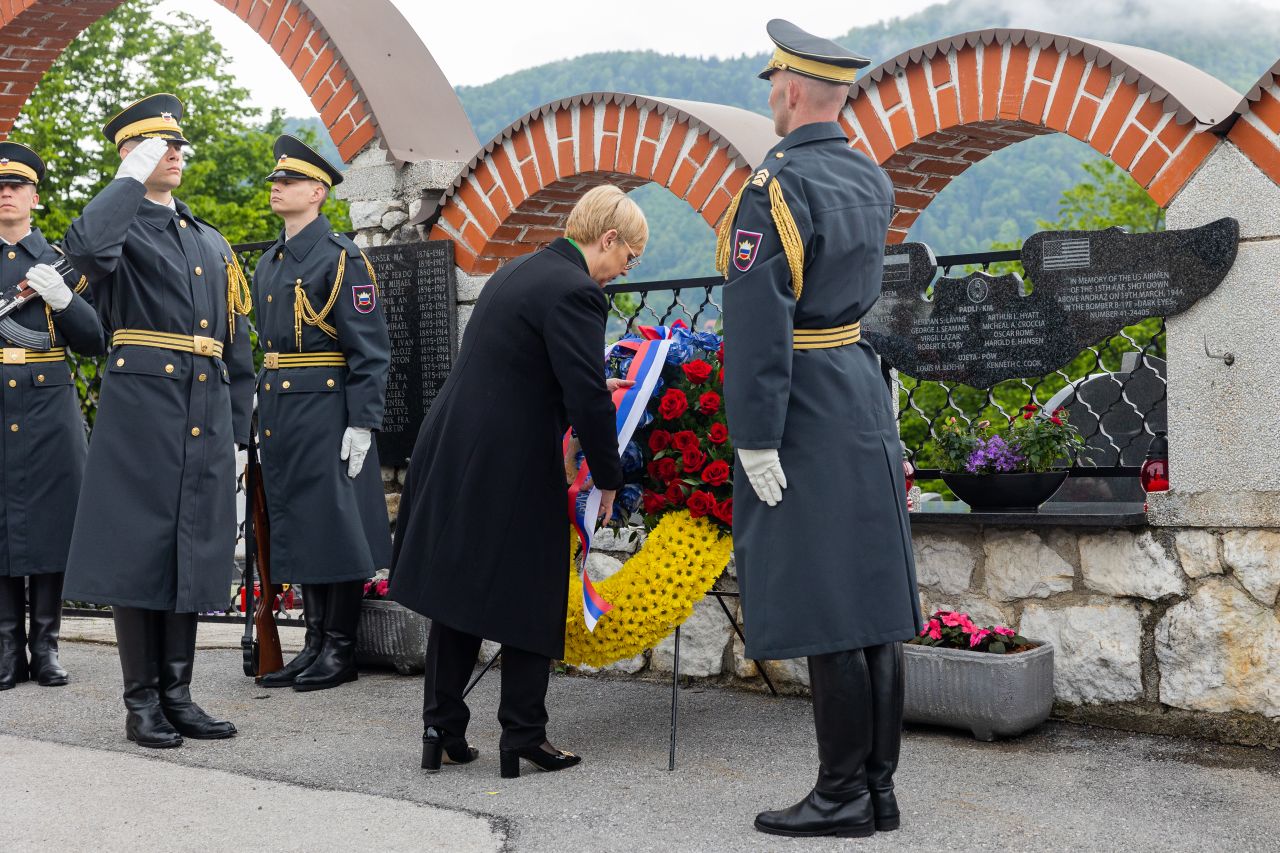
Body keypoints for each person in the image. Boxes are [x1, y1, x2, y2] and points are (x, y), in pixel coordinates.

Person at [715, 20, 921, 838]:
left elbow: (758, 321)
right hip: (859, 387)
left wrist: (754, 432)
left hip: (803, 399)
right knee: (872, 599)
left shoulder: (774, 188)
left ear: (793, 90)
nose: (771, 95)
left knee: (833, 602)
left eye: (774, 83)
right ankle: (877, 788)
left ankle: (841, 793)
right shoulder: (870, 176)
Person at [390, 184, 644, 779]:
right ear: (608, 238)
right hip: (509, 455)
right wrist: (609, 478)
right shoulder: (578, 290)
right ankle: (524, 735)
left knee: (458, 588)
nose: (622, 271)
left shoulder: (518, 270)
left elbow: (524, 365)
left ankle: (441, 728)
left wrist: (584, 385)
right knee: (534, 587)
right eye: (628, 258)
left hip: (454, 442)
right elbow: (585, 397)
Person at [61, 93, 255, 748]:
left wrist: (240, 433)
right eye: (155, 146)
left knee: (190, 548)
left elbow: (236, 346)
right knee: (138, 550)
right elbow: (87, 249)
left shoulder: (208, 238)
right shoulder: (120, 226)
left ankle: (178, 694)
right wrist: (126, 180)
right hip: (142, 410)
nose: (172, 153)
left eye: (176, 145)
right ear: (129, 155)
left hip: (204, 409)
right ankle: (141, 701)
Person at [251, 134, 391, 692]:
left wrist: (362, 422)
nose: (277, 187)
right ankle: (312, 644)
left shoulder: (341, 258)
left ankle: (339, 648)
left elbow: (370, 350)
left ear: (317, 192)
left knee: (336, 524)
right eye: (275, 180)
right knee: (302, 522)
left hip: (329, 409)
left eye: (289, 181)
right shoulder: (270, 262)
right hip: (282, 409)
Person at [0, 142, 105, 690]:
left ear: (34, 197)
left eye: (16, 186)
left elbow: (93, 341)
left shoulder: (59, 262)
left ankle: (46, 646)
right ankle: (6, 648)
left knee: (53, 521)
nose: (6, 194)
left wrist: (64, 299)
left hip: (49, 405)